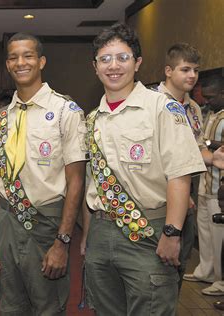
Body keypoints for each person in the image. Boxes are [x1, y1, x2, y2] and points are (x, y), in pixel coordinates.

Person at [83, 23, 206, 315]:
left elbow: (180, 175)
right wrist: (88, 240)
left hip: (148, 232)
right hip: (101, 233)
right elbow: (93, 182)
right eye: (105, 59)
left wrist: (172, 234)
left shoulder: (162, 108)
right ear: (95, 67)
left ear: (137, 63)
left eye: (122, 57)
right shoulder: (91, 120)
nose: (114, 66)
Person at [0, 33, 87, 315]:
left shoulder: (66, 111)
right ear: (7, 65)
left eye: (28, 55)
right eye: (13, 57)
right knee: (10, 305)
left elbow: (76, 180)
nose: (21, 62)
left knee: (48, 307)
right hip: (6, 221)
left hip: (44, 224)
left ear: (41, 61)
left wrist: (63, 242)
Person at [156, 43, 210, 286]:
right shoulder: (153, 104)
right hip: (160, 200)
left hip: (189, 199)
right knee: (158, 270)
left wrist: (213, 157)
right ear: (169, 71)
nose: (192, 76)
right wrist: (179, 191)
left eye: (195, 70)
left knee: (180, 262)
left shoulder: (194, 108)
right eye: (185, 69)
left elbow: (195, 149)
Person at [191, 75, 224, 296]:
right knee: (204, 232)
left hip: (218, 189)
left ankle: (220, 281)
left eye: (212, 97)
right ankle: (205, 271)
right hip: (204, 182)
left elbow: (208, 144)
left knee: (218, 237)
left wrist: (211, 145)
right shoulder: (212, 115)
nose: (208, 101)